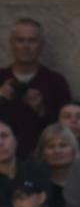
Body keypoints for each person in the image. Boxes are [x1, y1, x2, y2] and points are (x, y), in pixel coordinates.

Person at [0, 19, 71, 159]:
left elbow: (66, 129)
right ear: (11, 44)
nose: (26, 46)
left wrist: (41, 110)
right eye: (20, 40)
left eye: (32, 41)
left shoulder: (55, 82)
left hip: (43, 161)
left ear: (41, 45)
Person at [35, 121, 78, 207]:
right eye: (51, 146)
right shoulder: (36, 185)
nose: (57, 151)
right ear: (42, 153)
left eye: (63, 145)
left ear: (74, 150)